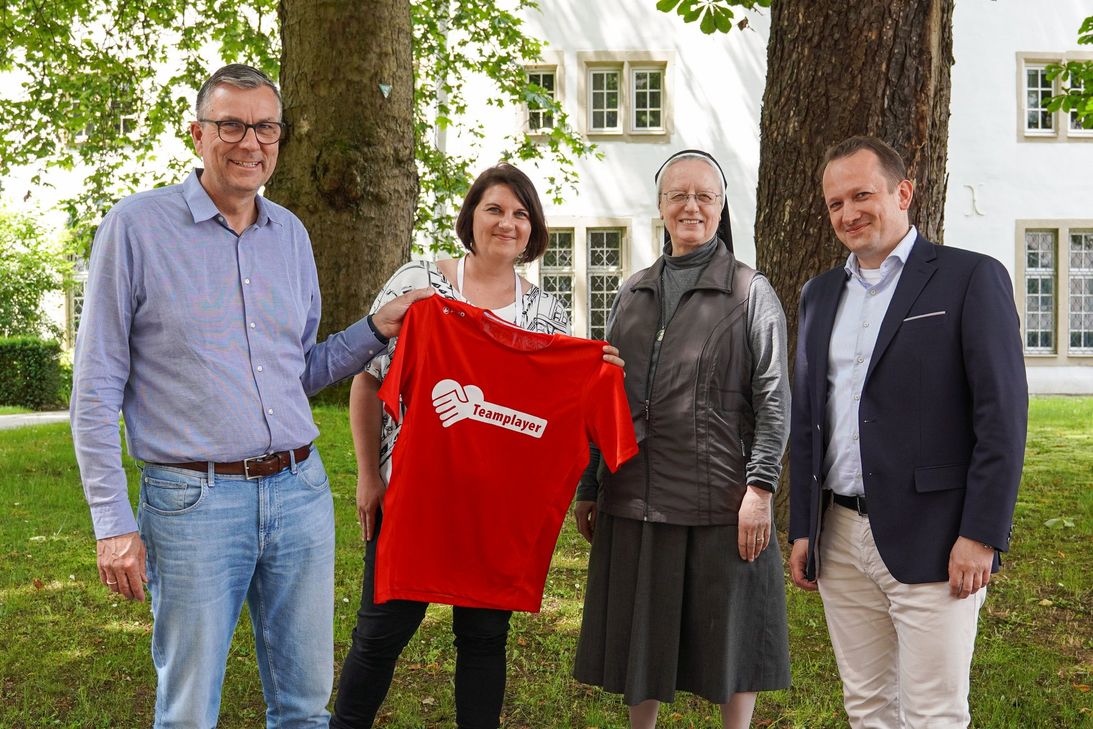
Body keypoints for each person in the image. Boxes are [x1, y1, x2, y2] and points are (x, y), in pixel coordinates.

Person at [70, 64, 430, 728]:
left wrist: (377, 327)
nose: (249, 142)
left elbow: (298, 369)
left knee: (303, 706)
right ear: (196, 133)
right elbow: (94, 387)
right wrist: (112, 523)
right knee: (187, 710)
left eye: (265, 127)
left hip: (299, 492)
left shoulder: (289, 234)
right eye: (230, 124)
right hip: (192, 503)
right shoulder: (136, 227)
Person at [332, 163, 625, 729]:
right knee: (381, 630)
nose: (507, 223)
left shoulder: (547, 316)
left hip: (496, 511)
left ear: (533, 227)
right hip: (415, 498)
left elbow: (562, 408)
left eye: (520, 214)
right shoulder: (421, 291)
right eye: (494, 209)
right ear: (472, 217)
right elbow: (367, 380)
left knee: (485, 638)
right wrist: (370, 478)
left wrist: (596, 372)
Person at [788, 135, 1028, 728]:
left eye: (862, 195)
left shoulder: (970, 278)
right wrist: (803, 529)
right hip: (839, 538)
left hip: (937, 536)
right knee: (867, 706)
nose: (848, 213)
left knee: (933, 713)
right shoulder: (819, 295)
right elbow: (807, 418)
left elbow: (1002, 418)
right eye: (835, 203)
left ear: (904, 192)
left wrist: (982, 533)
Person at [572, 149, 792, 729]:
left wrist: (761, 488)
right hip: (635, 492)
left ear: (721, 208)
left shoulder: (751, 293)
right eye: (678, 195)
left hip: (722, 497)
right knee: (641, 632)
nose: (690, 206)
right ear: (662, 206)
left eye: (704, 196)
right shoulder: (632, 292)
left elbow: (774, 400)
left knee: (733, 633)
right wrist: (590, 483)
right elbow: (605, 394)